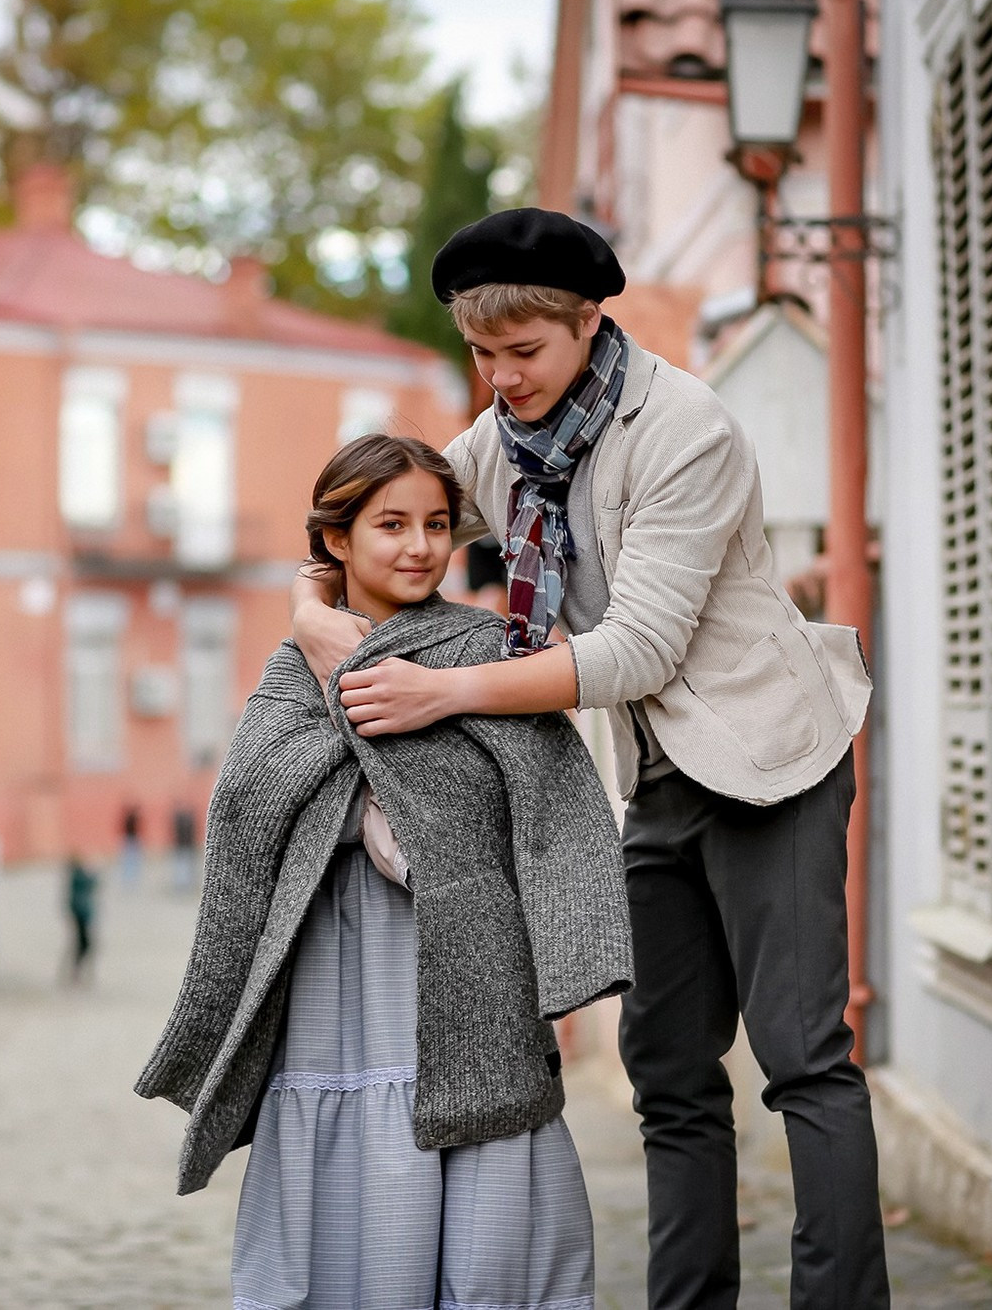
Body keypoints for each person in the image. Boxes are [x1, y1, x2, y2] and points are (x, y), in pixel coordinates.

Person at [291, 209, 888, 1310]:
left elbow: (634, 648)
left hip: (770, 760)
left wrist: (445, 690)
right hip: (653, 777)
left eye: (524, 353)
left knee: (802, 1057)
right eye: (481, 355)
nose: (501, 378)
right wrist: (312, 604)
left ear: (586, 322)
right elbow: (390, 520)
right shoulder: (503, 443)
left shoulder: (686, 432)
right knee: (665, 1070)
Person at [138, 434, 632, 1310]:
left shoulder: (488, 648)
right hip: (335, 981)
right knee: (355, 1212)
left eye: (437, 524)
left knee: (489, 1228)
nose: (419, 545)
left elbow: (551, 796)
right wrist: (361, 788)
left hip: (466, 977)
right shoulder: (292, 671)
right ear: (338, 539)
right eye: (391, 523)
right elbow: (250, 805)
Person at [65, 855, 97, 984]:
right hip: (82, 917)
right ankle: (76, 972)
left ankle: (77, 972)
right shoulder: (78, 878)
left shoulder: (76, 878)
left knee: (81, 946)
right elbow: (92, 883)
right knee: (83, 945)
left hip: (82, 916)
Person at [167, 804, 198, 893]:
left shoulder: (180, 822)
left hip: (182, 846)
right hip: (185, 846)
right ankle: (183, 886)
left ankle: (182, 886)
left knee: (182, 867)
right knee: (184, 867)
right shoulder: (188, 822)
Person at [117, 804, 143, 889]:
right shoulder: (131, 819)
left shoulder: (129, 819)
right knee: (131, 861)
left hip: (130, 840)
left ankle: (129, 880)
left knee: (130, 862)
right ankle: (130, 880)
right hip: (131, 840)